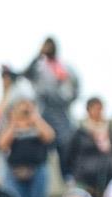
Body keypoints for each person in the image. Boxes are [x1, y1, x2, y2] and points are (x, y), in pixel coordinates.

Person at [21, 37, 80, 179]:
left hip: (62, 114)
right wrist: (38, 55)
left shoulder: (66, 67)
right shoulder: (39, 66)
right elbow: (25, 74)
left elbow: (75, 87)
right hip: (44, 113)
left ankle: (67, 177)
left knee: (66, 144)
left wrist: (67, 98)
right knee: (42, 146)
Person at [0, 99, 56, 197]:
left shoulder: (37, 124)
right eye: (21, 108)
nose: (24, 112)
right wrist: (14, 121)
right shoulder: (11, 125)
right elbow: (1, 144)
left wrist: (34, 117)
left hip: (37, 171)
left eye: (27, 109)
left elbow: (50, 136)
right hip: (14, 172)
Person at [66, 97, 112, 197]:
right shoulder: (80, 133)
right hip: (85, 178)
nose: (99, 112)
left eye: (100, 109)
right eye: (96, 109)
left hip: (110, 176)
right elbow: (69, 155)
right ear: (88, 110)